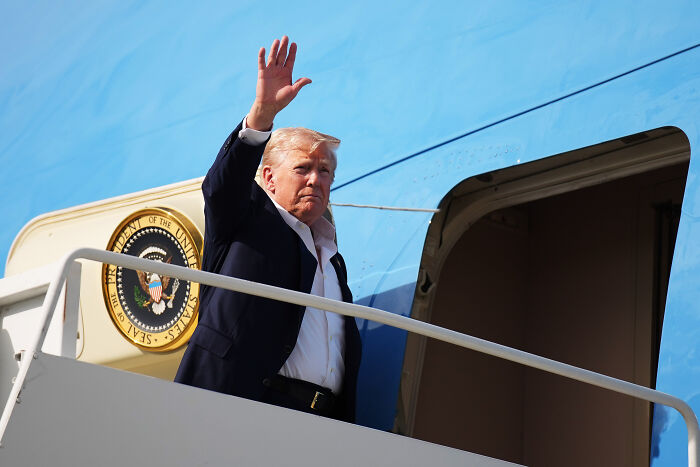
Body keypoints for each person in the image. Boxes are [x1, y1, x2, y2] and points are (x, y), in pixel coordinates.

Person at [175, 36, 362, 423]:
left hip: (321, 422)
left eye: (324, 171)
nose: (315, 180)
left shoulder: (333, 258)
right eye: (303, 169)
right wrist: (261, 116)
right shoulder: (245, 218)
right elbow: (221, 186)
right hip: (242, 406)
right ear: (269, 178)